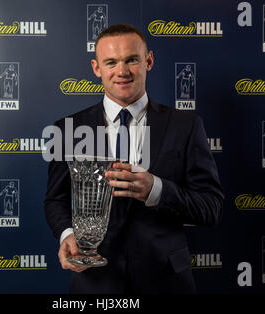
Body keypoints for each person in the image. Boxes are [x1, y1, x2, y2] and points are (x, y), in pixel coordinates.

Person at [44, 24, 223, 294]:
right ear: (96, 68)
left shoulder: (186, 126)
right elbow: (55, 200)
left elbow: (211, 207)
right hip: (95, 282)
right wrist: (68, 235)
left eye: (132, 60)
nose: (122, 71)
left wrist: (157, 190)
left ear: (148, 60)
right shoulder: (67, 129)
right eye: (111, 62)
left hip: (167, 282)